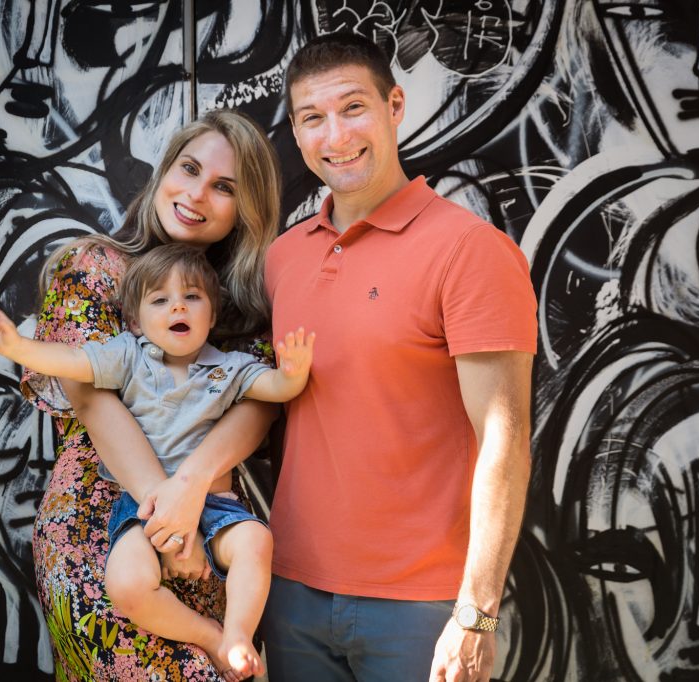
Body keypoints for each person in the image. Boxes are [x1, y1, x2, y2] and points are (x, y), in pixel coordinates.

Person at [260, 33, 538, 682]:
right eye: (312, 118)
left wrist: (476, 611)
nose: (336, 135)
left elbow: (507, 436)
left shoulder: (469, 250)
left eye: (353, 108)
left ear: (395, 106)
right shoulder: (284, 257)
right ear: (298, 135)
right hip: (292, 593)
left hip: (423, 606)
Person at [12, 110, 284, 681]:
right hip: (98, 527)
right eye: (188, 169)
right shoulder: (91, 267)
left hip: (209, 524)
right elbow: (91, 398)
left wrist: (189, 494)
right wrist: (166, 520)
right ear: (164, 170)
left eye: (224, 187)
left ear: (244, 212)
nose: (196, 194)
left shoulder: (241, 303)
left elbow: (257, 405)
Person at [0, 244, 314, 679]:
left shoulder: (229, 368)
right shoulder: (127, 355)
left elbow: (275, 391)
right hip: (140, 508)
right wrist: (18, 346)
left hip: (216, 506)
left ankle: (236, 633)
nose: (177, 304)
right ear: (137, 320)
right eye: (160, 299)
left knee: (257, 543)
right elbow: (71, 362)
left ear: (211, 317)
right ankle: (209, 636)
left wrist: (293, 372)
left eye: (192, 297)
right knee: (126, 585)